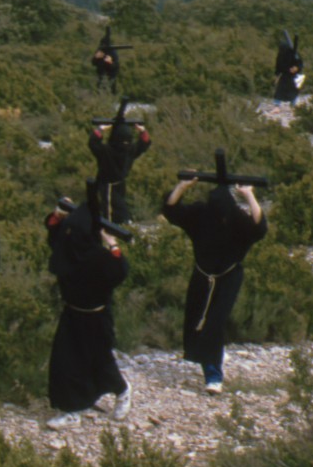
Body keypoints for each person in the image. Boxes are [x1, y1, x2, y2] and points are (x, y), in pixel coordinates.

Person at [159, 174, 266, 394]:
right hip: (202, 275)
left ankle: (213, 375)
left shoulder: (235, 219)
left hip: (228, 278)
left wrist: (249, 196)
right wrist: (182, 185)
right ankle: (210, 357)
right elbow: (171, 210)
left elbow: (259, 227)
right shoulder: (202, 215)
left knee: (215, 323)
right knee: (196, 320)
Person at [43, 200, 130, 427]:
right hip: (72, 314)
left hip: (96, 317)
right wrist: (112, 244)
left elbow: (119, 271)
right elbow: (54, 231)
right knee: (66, 362)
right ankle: (72, 409)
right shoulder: (72, 249)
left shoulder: (97, 258)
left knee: (101, 362)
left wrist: (112, 247)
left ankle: (123, 391)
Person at [86, 105, 152, 226]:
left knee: (110, 214)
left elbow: (93, 142)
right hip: (118, 184)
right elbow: (144, 143)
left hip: (108, 186)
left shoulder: (106, 151)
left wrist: (101, 129)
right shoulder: (130, 150)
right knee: (119, 211)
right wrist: (142, 130)